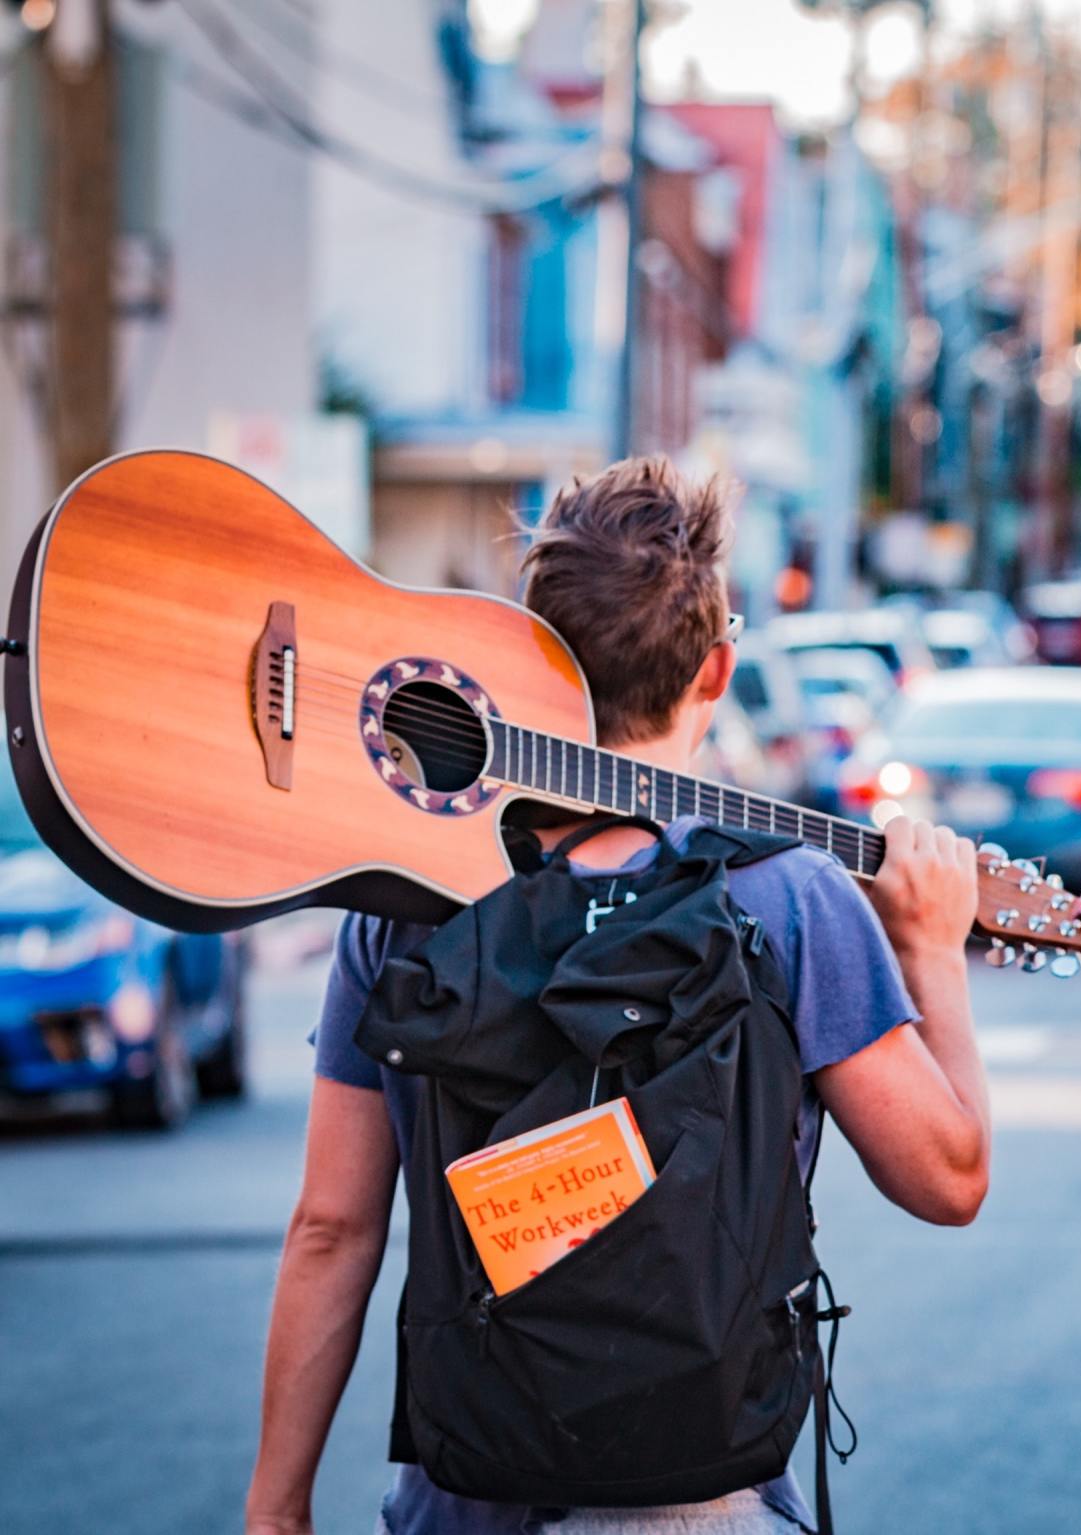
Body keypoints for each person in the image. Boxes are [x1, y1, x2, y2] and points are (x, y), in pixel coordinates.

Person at [244, 457, 992, 1535]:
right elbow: (949, 1178)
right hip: (701, 1501)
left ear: (524, 651)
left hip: (465, 1495)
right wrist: (932, 951)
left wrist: (276, 1509)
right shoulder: (787, 898)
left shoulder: (410, 899)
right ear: (717, 670)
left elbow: (331, 1226)